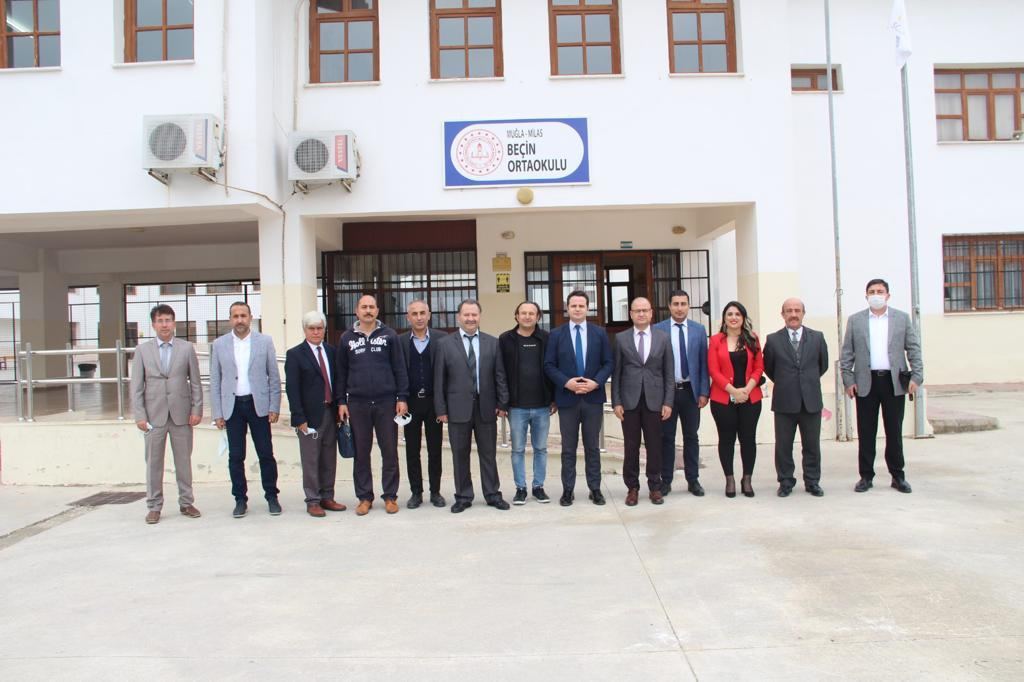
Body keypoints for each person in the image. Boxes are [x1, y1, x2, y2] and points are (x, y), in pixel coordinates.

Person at [840, 278, 923, 494]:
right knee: (866, 432)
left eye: (880, 291)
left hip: (893, 382)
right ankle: (866, 476)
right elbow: (847, 353)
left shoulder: (901, 319)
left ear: (888, 295)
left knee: (894, 431)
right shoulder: (856, 320)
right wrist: (848, 380)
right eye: (872, 291)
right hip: (865, 382)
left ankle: (898, 476)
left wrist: (916, 377)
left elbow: (913, 348)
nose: (876, 295)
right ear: (866, 296)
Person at [335, 294, 409, 516]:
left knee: (390, 451)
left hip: (387, 402)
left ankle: (390, 496)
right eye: (364, 307)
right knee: (361, 452)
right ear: (357, 311)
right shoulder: (346, 338)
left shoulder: (389, 335)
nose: (368, 310)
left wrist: (402, 397)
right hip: (357, 403)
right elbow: (341, 373)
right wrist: (341, 401)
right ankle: (364, 497)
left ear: (377, 310)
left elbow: (399, 368)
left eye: (371, 307)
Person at [434, 299, 510, 513]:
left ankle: (492, 494)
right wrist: (441, 409)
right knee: (460, 455)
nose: (470, 318)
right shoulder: (445, 344)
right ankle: (463, 496)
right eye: (466, 315)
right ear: (459, 317)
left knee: (488, 454)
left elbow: (500, 375)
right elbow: (439, 380)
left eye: (474, 315)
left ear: (479, 316)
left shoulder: (492, 342)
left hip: (487, 407)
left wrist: (502, 402)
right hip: (457, 409)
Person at [130, 304, 203, 525]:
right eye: (160, 321)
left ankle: (186, 502)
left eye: (168, 320)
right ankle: (154, 506)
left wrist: (197, 409)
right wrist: (140, 415)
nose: (165, 325)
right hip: (154, 416)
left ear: (174, 323)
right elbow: (136, 386)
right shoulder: (142, 351)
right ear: (153, 324)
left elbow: (196, 382)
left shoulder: (186, 348)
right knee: (153, 463)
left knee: (183, 462)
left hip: (182, 414)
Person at [210, 301, 282, 518]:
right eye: (235, 316)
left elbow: (274, 376)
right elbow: (215, 380)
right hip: (232, 407)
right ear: (230, 319)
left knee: (266, 454)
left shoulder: (264, 341)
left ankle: (272, 496)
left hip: (258, 405)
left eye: (243, 315)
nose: (239, 320)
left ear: (251, 318)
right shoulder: (219, 344)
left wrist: (274, 406)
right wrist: (217, 413)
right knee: (236, 456)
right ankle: (240, 499)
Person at [543, 290, 614, 506]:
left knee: (592, 447)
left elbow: (608, 363)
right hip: (567, 399)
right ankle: (568, 490)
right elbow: (549, 365)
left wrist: (596, 382)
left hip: (593, 398)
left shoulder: (599, 333)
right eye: (573, 306)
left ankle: (595, 489)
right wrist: (567, 383)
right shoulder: (556, 334)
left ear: (588, 308)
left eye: (581, 306)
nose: (577, 309)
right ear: (567, 308)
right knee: (568, 448)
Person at [763, 298, 829, 497]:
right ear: (782, 314)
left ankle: (812, 481)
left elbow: (822, 365)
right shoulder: (773, 340)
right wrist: (787, 382)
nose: (793, 314)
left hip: (811, 401)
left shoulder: (817, 337)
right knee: (783, 445)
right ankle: (785, 482)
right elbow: (769, 368)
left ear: (803, 313)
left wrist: (806, 382)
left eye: (797, 310)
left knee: (812, 445)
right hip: (784, 401)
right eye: (789, 310)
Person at [612, 297, 674, 506]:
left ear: (651, 313)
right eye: (637, 310)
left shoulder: (663, 338)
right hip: (629, 402)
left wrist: (668, 402)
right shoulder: (621, 339)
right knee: (631, 447)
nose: (641, 314)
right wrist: (616, 402)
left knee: (655, 446)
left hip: (655, 401)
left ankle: (655, 486)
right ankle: (632, 488)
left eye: (644, 310)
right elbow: (617, 373)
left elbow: (669, 373)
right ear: (630, 314)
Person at [284, 310, 347, 518]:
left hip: (330, 412)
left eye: (319, 328)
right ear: (305, 330)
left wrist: (341, 404)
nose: (316, 332)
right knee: (311, 459)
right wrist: (298, 417)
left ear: (324, 330)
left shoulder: (331, 351)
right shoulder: (295, 354)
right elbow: (292, 389)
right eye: (312, 328)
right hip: (309, 416)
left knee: (329, 458)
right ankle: (312, 500)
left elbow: (338, 381)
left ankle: (327, 496)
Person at [498, 301, 556, 505]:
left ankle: (538, 487)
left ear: (538, 317)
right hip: (516, 407)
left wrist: (554, 398)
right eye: (523, 313)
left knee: (540, 448)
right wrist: (502, 402)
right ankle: (520, 488)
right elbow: (500, 372)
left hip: (542, 405)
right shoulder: (505, 339)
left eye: (532, 313)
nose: (527, 316)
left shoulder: (547, 338)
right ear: (516, 316)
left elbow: (553, 368)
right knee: (517, 449)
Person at [654, 289, 710, 497]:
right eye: (676, 304)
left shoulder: (698, 330)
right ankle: (666, 480)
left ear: (688, 306)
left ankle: (693, 480)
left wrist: (704, 391)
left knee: (691, 437)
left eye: (683, 304)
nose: (679, 308)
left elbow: (703, 363)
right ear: (669, 306)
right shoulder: (658, 329)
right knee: (666, 437)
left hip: (690, 392)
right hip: (667, 394)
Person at [707, 301, 764, 498]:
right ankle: (729, 479)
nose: (733, 317)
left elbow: (759, 367)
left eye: (737, 314)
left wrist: (747, 389)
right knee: (726, 439)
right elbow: (713, 370)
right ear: (724, 318)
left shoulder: (752, 338)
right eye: (729, 314)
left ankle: (747, 479)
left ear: (743, 318)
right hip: (723, 399)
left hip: (750, 398)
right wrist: (733, 391)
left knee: (748, 439)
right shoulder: (716, 340)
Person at [398, 299, 448, 509]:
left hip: (433, 403)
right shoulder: (400, 341)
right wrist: (400, 398)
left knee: (435, 449)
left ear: (429, 315)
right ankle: (416, 492)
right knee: (412, 450)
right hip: (410, 404)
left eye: (422, 313)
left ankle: (435, 492)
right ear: (408, 317)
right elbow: (398, 371)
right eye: (414, 314)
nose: (419, 317)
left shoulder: (442, 339)